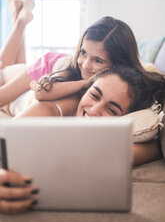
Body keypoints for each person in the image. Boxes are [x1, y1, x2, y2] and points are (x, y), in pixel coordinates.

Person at [0, 64, 164, 214]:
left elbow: (153, 148)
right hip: (16, 86)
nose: (94, 110)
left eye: (112, 110)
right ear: (86, 91)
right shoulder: (54, 107)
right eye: (94, 95)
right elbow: (6, 142)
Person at [0, 0, 163, 117]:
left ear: (118, 65)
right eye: (83, 52)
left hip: (27, 69)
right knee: (3, 78)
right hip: (47, 64)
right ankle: (21, 21)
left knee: (13, 65)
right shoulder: (72, 70)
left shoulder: (128, 80)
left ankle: (18, 12)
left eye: (98, 60)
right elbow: (40, 93)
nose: (85, 64)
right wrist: (85, 83)